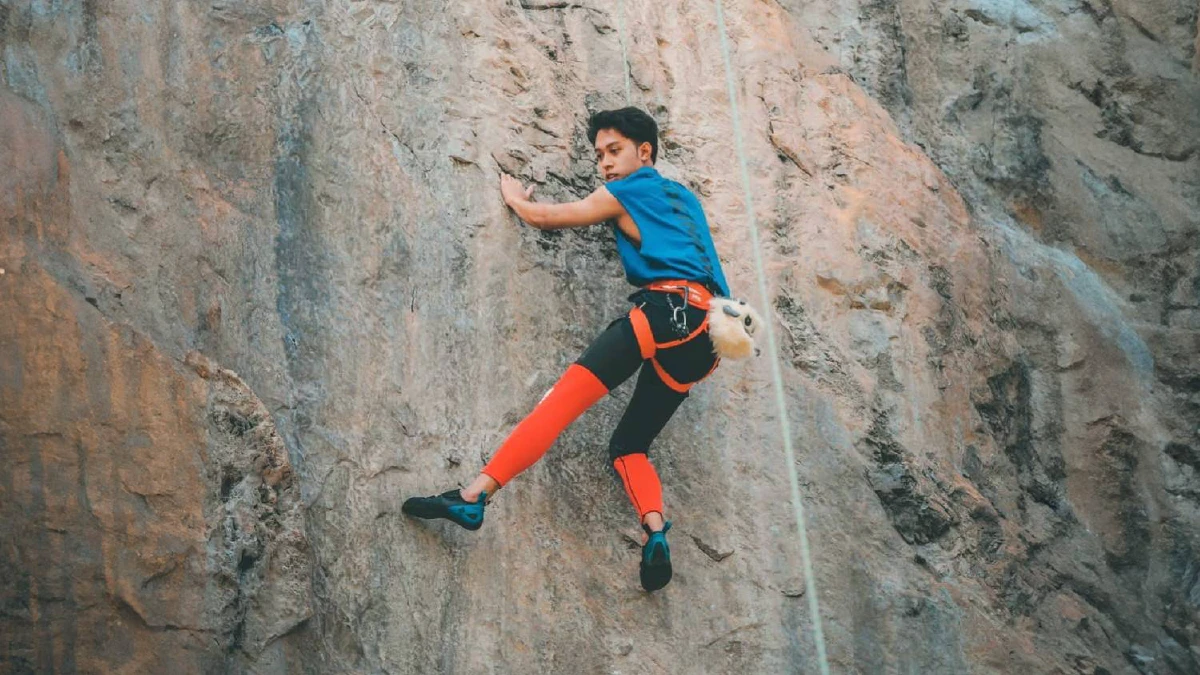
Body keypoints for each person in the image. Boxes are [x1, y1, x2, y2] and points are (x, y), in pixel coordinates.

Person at [402, 106, 731, 592]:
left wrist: (515, 198)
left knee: (557, 406)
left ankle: (473, 496)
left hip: (666, 312)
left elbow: (546, 218)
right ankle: (655, 532)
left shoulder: (629, 190)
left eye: (614, 151)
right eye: (599, 155)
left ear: (646, 152)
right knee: (630, 447)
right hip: (708, 339)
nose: (605, 164)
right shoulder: (684, 199)